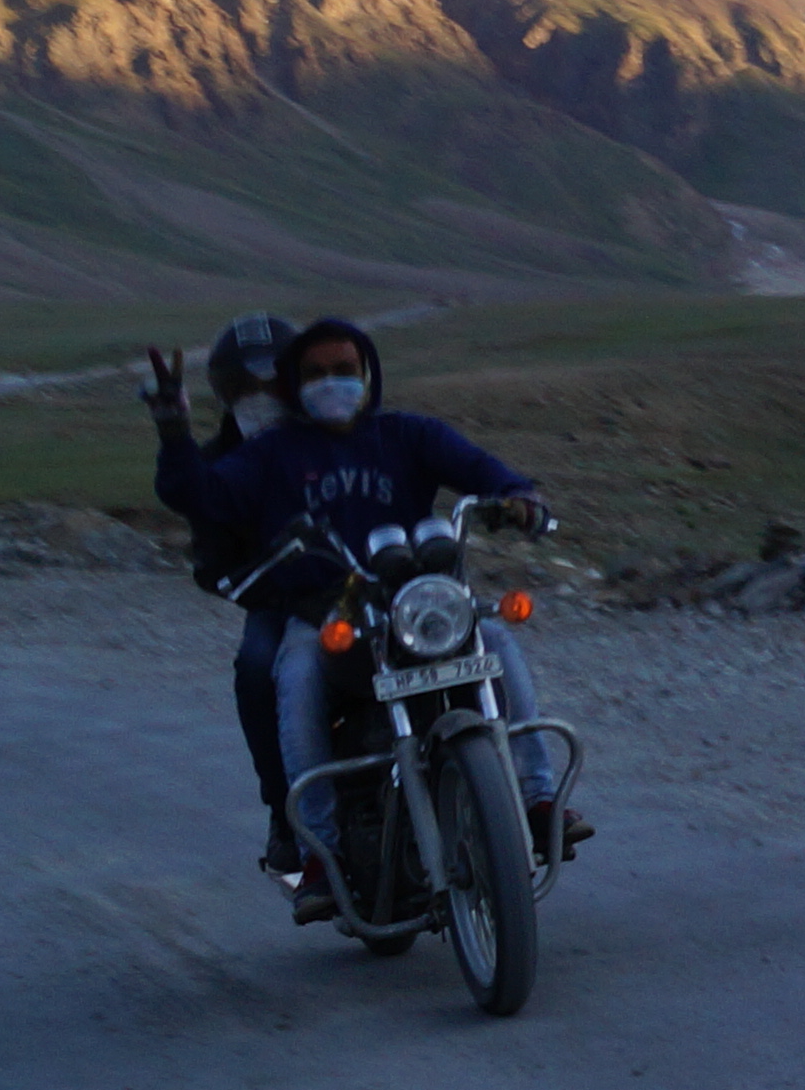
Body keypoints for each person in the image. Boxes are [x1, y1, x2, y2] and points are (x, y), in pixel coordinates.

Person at [149, 315, 582, 922]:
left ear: (368, 373)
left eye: (346, 371)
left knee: (496, 638)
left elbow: (485, 472)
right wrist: (173, 431)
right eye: (317, 373)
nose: (333, 382)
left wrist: (521, 498)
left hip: (417, 602)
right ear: (296, 386)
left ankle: (538, 801)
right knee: (293, 676)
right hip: (329, 610)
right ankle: (317, 852)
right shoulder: (273, 453)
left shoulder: (408, 434)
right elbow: (198, 496)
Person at [136, 315, 297, 879]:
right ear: (225, 395)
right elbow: (186, 493)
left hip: (369, 588)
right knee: (256, 669)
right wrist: (174, 433)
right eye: (242, 389)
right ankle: (286, 816)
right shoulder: (220, 461)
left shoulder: (335, 433)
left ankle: (520, 789)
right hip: (282, 602)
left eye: (270, 383)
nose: (259, 399)